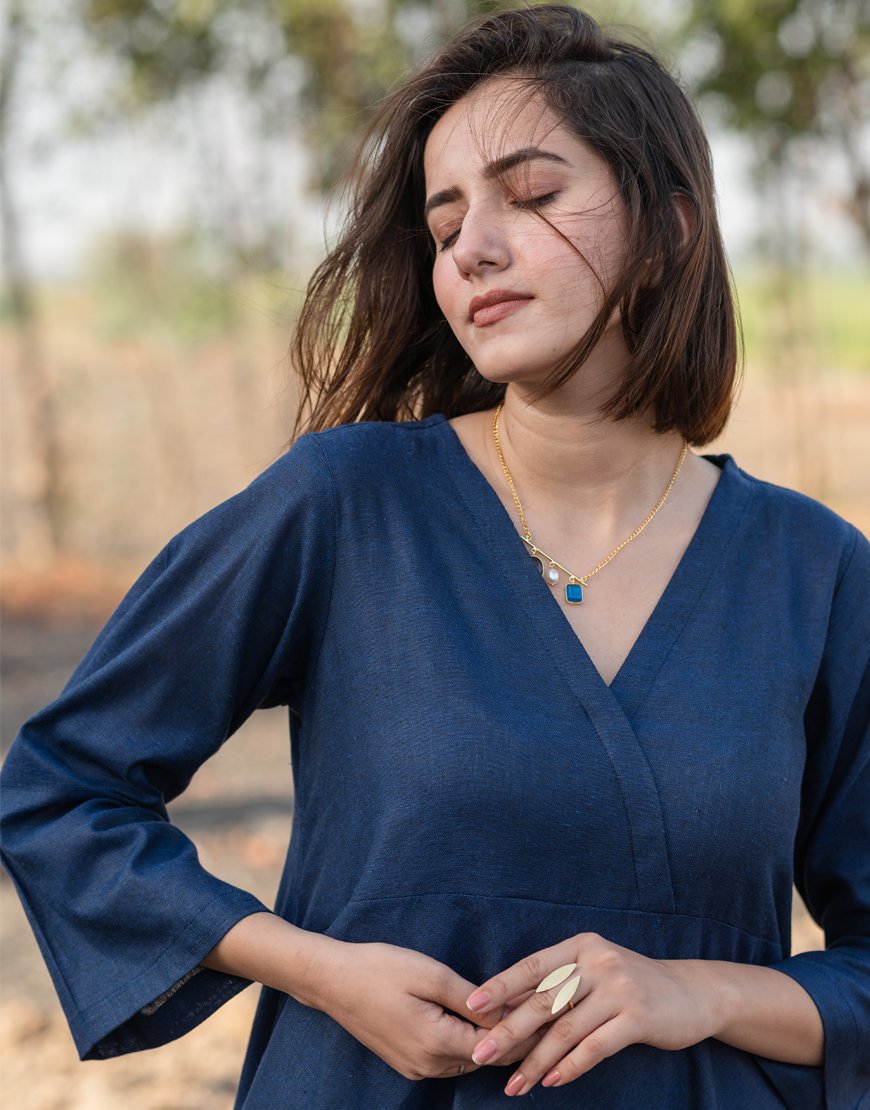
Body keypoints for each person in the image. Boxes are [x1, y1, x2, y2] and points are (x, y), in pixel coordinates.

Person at [2, 5, 868, 1107]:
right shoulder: (343, 505)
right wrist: (318, 970)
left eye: (535, 194)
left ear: (672, 229)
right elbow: (63, 791)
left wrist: (698, 991)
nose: (473, 247)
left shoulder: (818, 574)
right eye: (445, 218)